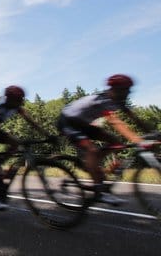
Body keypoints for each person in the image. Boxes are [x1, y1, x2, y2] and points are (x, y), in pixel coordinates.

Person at [57, 74, 153, 206]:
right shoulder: (102, 100)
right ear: (116, 89)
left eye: (129, 89)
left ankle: (93, 165)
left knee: (117, 143)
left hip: (83, 123)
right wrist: (137, 140)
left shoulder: (119, 102)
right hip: (67, 122)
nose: (129, 92)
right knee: (92, 149)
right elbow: (116, 123)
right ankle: (99, 192)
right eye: (126, 89)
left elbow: (136, 119)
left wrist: (153, 133)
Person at [0, 85, 49, 210]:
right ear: (9, 99)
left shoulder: (15, 105)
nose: (21, 102)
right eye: (19, 99)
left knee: (15, 143)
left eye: (22, 99)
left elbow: (31, 121)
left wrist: (46, 134)